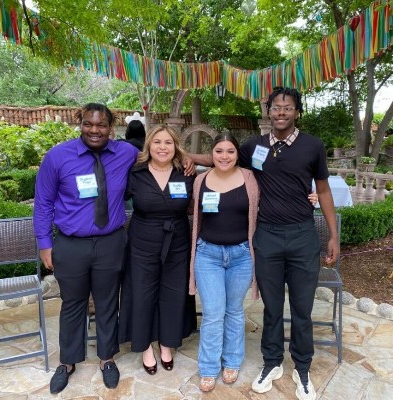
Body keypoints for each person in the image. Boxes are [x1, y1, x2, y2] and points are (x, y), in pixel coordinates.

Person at [186, 87, 337, 400]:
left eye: (287, 108)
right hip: (266, 236)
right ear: (269, 112)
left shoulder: (313, 146)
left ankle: (303, 366)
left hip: (302, 236)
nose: (281, 112)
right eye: (275, 107)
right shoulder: (254, 145)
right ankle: (272, 362)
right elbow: (220, 157)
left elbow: (322, 191)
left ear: (297, 112)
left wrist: (334, 235)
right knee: (271, 307)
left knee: (302, 307)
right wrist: (186, 157)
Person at [33, 103, 139, 394]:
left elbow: (160, 155)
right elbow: (42, 203)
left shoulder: (126, 153)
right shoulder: (57, 157)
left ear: (111, 126)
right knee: (72, 304)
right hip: (70, 245)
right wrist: (45, 244)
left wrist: (190, 160)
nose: (95, 130)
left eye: (101, 125)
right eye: (89, 124)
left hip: (110, 242)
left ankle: (107, 358)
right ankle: (67, 362)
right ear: (80, 123)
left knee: (107, 302)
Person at [118, 124, 197, 375]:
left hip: (177, 241)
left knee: (173, 293)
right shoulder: (135, 173)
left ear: (176, 147)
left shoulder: (186, 173)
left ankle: (167, 342)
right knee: (142, 293)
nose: (163, 147)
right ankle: (145, 347)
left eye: (168, 143)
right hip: (142, 241)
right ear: (148, 146)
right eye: (157, 142)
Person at [188, 133, 260, 392]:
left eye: (230, 151)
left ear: (237, 154)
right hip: (208, 255)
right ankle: (208, 367)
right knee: (213, 313)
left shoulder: (251, 179)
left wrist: (310, 198)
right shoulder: (199, 181)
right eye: (219, 151)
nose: (225, 156)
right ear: (212, 154)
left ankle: (232, 361)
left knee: (234, 311)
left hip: (241, 255)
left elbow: (276, 196)